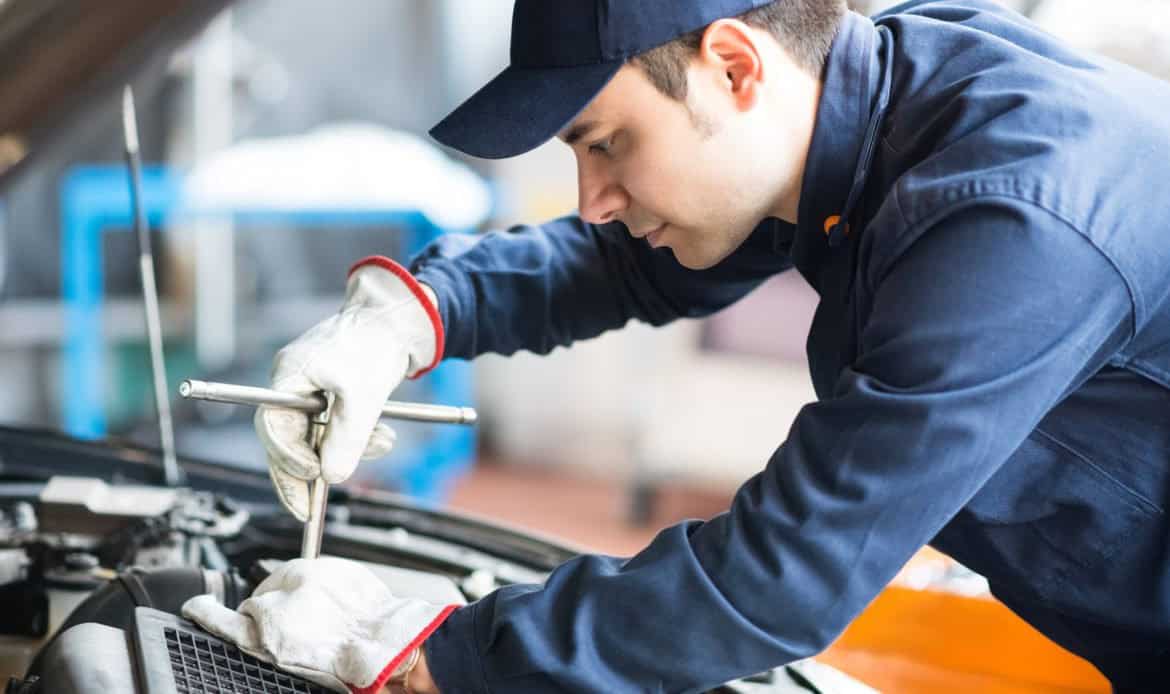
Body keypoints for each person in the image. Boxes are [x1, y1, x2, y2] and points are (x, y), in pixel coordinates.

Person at [181, 0, 1170, 691]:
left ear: (736, 66)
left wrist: (432, 652)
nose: (594, 198)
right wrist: (402, 317)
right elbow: (621, 264)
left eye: (607, 142)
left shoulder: (1007, 214)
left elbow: (781, 575)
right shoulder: (884, 91)